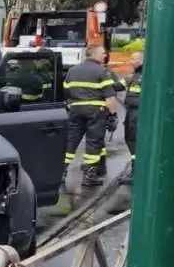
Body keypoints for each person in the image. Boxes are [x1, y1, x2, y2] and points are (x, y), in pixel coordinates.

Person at [55, 45, 120, 212]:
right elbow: (110, 97)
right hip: (95, 112)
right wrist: (113, 115)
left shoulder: (73, 70)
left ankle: (61, 172)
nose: (105, 55)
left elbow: (66, 90)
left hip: (75, 110)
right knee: (93, 143)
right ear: (96, 54)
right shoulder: (101, 72)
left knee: (71, 142)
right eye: (103, 53)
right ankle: (89, 175)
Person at [120, 51, 143, 184]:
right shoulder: (132, 76)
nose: (130, 61)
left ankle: (136, 172)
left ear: (141, 60)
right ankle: (136, 169)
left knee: (133, 140)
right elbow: (118, 86)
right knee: (129, 139)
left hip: (138, 112)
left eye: (133, 59)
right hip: (131, 112)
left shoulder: (144, 75)